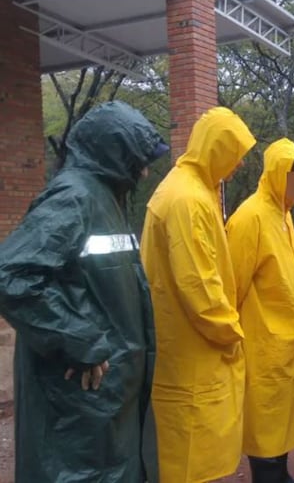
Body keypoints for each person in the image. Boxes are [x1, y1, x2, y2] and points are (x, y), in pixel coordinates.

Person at [0, 100, 169, 483]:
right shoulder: (73, 197)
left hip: (105, 396)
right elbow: (12, 275)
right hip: (79, 399)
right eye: (137, 159)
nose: (144, 171)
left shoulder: (104, 197)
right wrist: (81, 340)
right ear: (113, 152)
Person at [140, 106, 257, 483]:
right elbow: (199, 286)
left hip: (188, 345)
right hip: (192, 350)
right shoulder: (187, 200)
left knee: (190, 451)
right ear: (216, 150)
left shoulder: (190, 188)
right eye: (234, 155)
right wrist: (231, 332)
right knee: (188, 456)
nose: (237, 166)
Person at [225, 138, 294, 483]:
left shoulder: (282, 214)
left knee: (281, 419)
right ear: (278, 175)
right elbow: (231, 288)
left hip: (288, 344)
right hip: (261, 345)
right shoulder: (251, 217)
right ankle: (268, 476)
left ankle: (280, 473)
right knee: (264, 424)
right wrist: (231, 341)